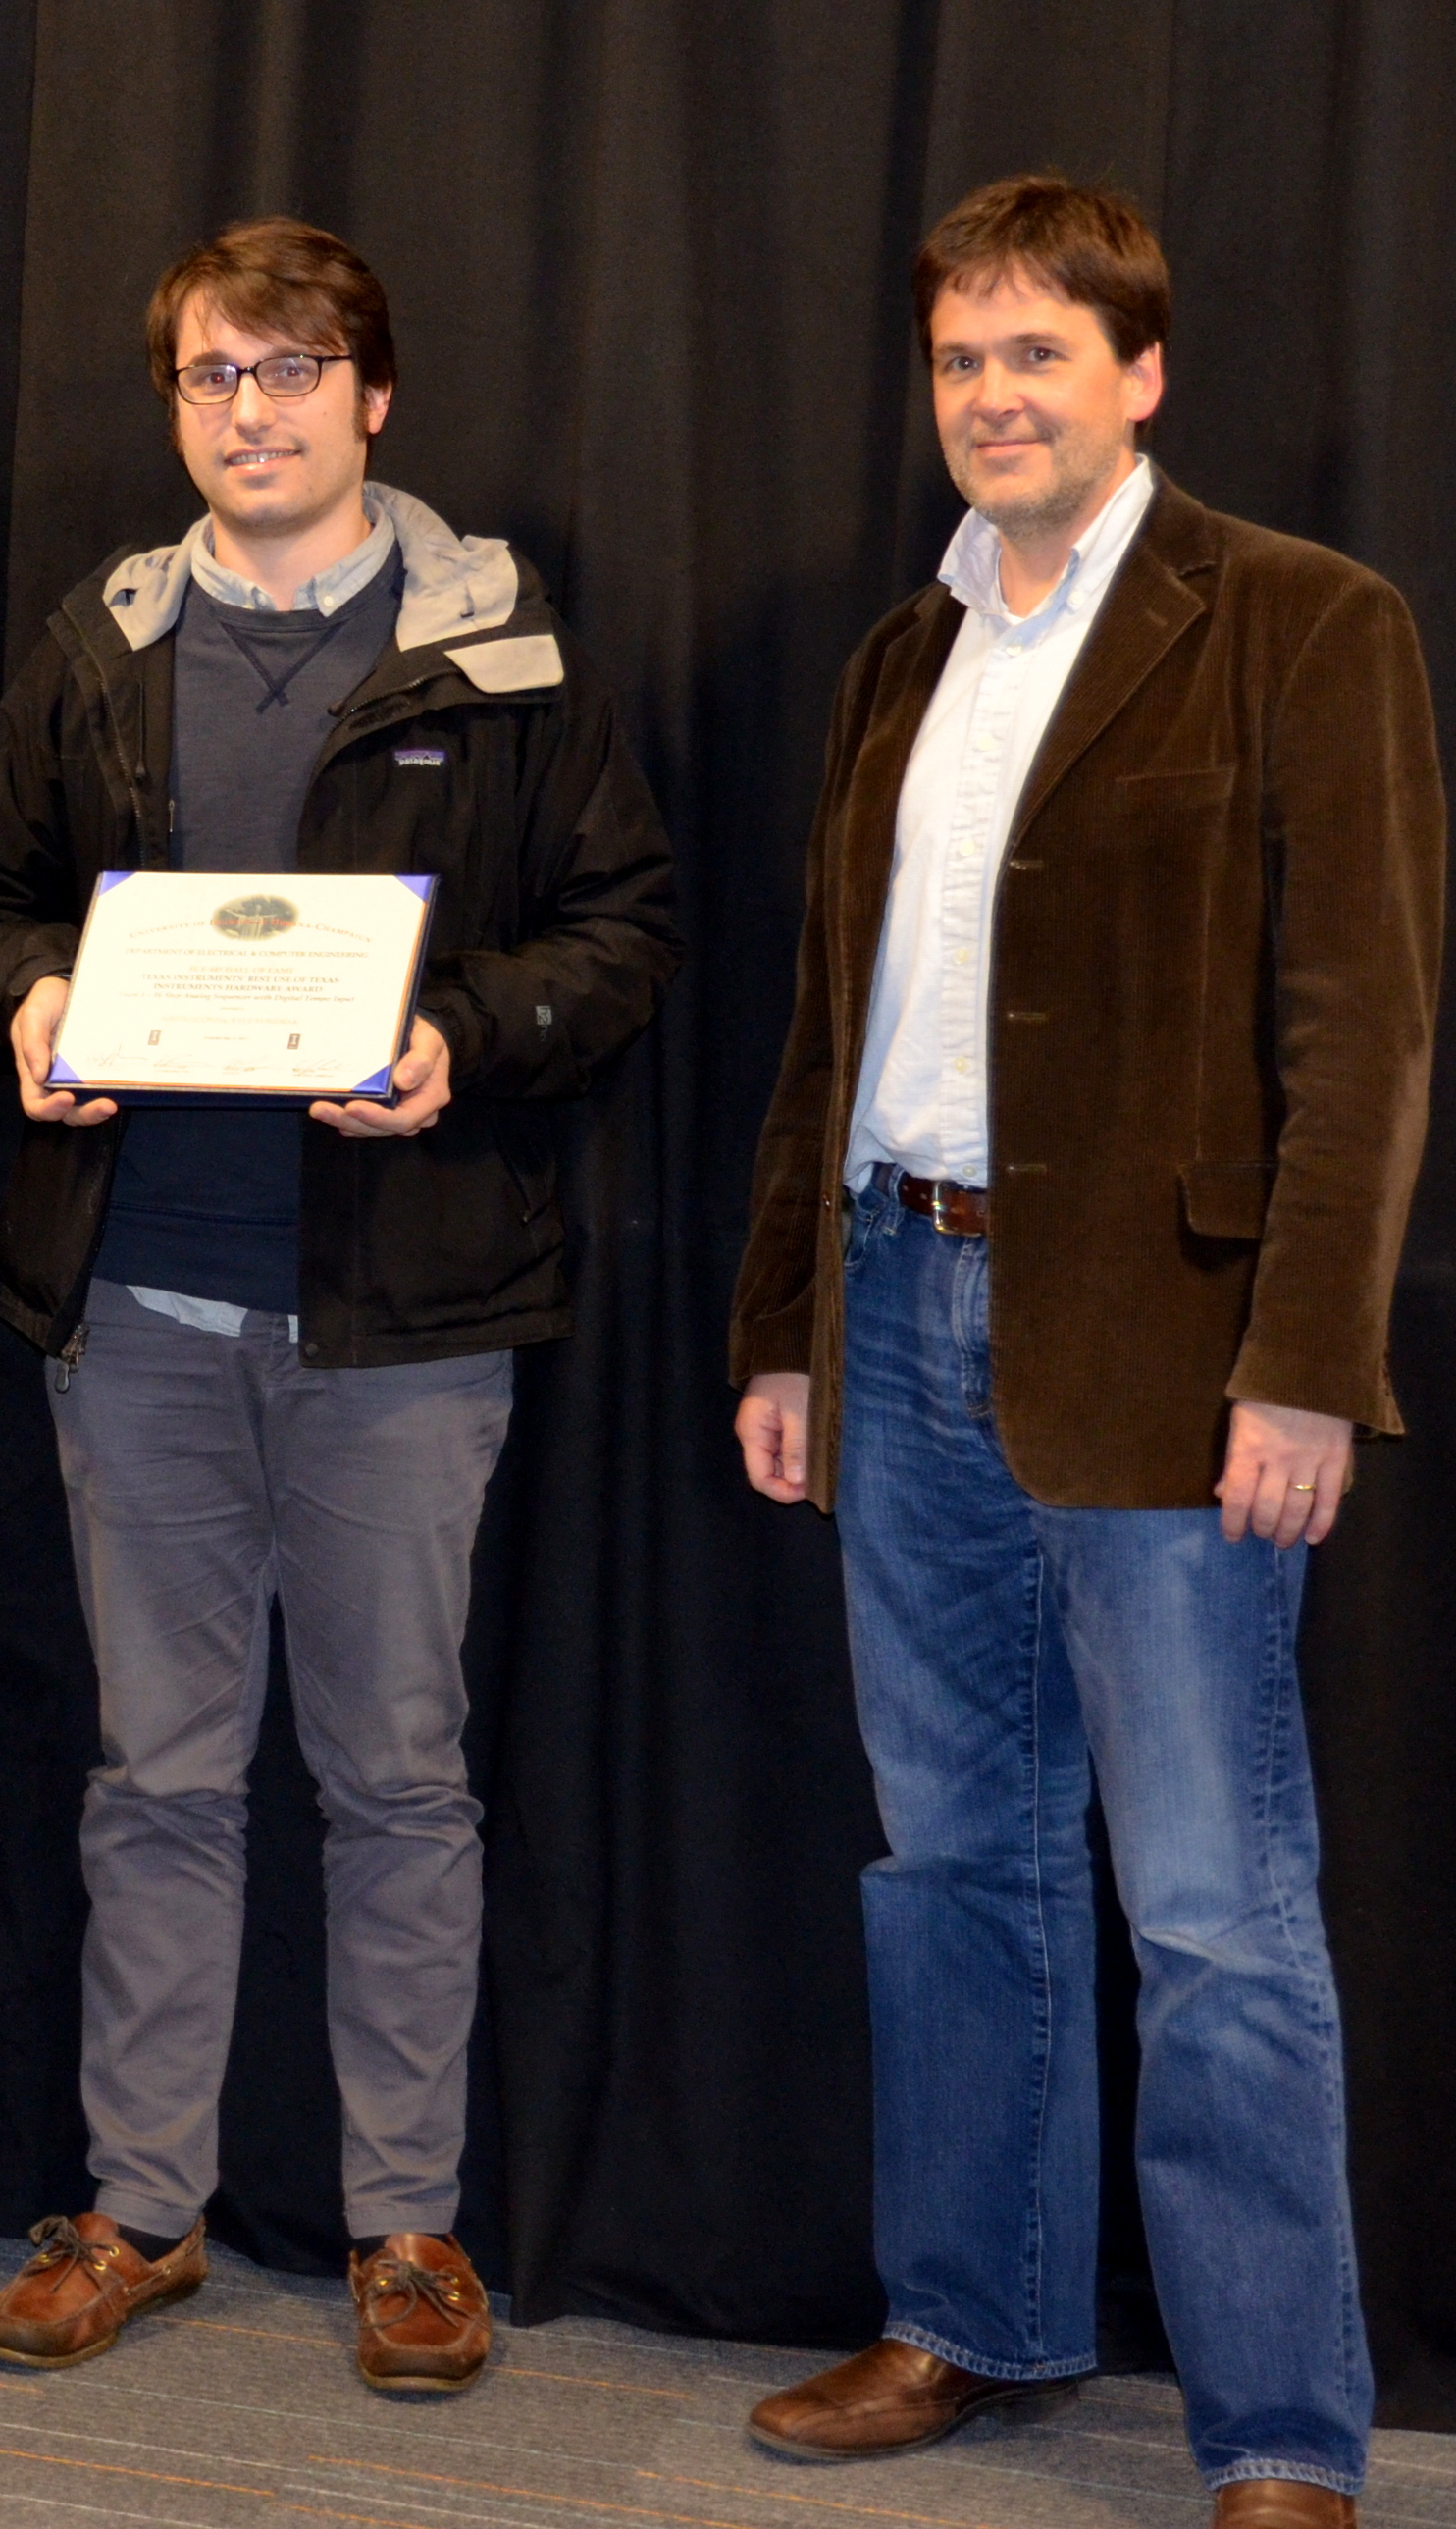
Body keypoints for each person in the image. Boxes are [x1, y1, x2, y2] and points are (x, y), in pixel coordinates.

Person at [729, 177, 1439, 2529]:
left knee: (1220, 1914)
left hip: (1171, 1352)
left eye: (1039, 354)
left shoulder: (1305, 625)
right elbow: (834, 1025)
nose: (993, 397)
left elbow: (1363, 1027)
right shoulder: (899, 657)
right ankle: (975, 2313)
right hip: (899, 1305)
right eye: (959, 361)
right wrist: (786, 1328)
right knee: (952, 1868)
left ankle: (1278, 2434)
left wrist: (1306, 1358)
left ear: (1142, 373)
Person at [0, 217, 679, 2386]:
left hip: (405, 1322)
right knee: (154, 1772)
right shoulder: (100, 639)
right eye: (209, 377)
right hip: (143, 1301)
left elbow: (626, 934)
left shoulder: (507, 654)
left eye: (290, 373)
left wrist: (464, 1031)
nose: (249, 414)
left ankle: (408, 2226)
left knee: (398, 1778)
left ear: (375, 395)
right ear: (171, 402)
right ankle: (143, 2205)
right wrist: (35, 993)